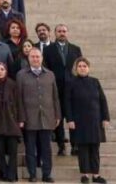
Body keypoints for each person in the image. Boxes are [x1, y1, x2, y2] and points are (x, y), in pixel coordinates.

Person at [16, 48, 61, 183]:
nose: (35, 59)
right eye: (32, 57)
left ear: (41, 58)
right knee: (30, 148)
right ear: (28, 59)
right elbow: (19, 98)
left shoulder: (50, 74)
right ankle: (33, 174)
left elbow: (55, 97)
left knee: (46, 148)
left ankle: (47, 174)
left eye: (37, 57)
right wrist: (21, 117)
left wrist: (57, 115)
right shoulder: (21, 74)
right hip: (29, 117)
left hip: (47, 116)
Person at [65, 58, 110, 184]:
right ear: (76, 68)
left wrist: (105, 117)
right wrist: (69, 119)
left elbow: (102, 100)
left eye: (84, 66)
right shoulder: (71, 83)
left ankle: (96, 175)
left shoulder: (95, 82)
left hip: (95, 121)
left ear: (88, 68)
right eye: (79, 66)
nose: (82, 68)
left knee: (95, 149)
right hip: (79, 122)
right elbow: (67, 102)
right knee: (83, 150)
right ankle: (84, 175)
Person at [43, 24, 82, 156]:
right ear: (55, 33)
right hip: (56, 88)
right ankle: (61, 146)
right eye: (59, 31)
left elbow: (79, 67)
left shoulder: (76, 49)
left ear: (68, 33)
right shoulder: (48, 50)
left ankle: (75, 145)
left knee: (73, 117)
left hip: (72, 89)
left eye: (64, 31)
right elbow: (46, 68)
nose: (62, 33)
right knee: (58, 119)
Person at [0, 62, 23, 183]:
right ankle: (3, 173)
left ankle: (12, 175)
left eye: (2, 69)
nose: (0, 71)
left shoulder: (13, 84)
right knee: (0, 152)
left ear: (6, 71)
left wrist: (20, 119)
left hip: (11, 121)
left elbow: (19, 103)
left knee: (13, 152)